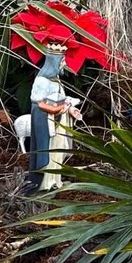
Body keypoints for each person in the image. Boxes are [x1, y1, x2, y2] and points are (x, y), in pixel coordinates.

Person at [28, 38, 81, 192]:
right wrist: (59, 109)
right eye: (62, 61)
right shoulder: (42, 81)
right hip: (46, 121)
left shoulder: (56, 80)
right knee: (47, 150)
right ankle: (43, 183)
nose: (64, 64)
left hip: (58, 122)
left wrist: (70, 109)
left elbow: (61, 99)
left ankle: (54, 180)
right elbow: (40, 103)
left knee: (59, 149)